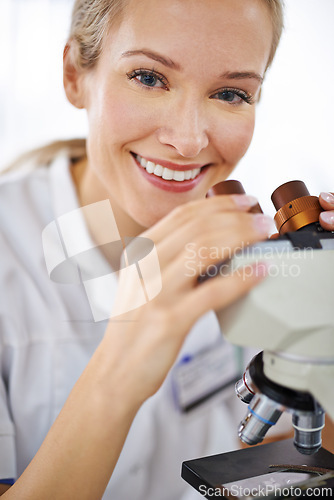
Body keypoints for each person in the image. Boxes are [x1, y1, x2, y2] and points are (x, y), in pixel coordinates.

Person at [0, 0, 333, 498]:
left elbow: (287, 460)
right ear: (74, 76)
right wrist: (120, 372)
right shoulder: (15, 253)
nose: (188, 139)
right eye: (148, 77)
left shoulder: (257, 250)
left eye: (230, 92)